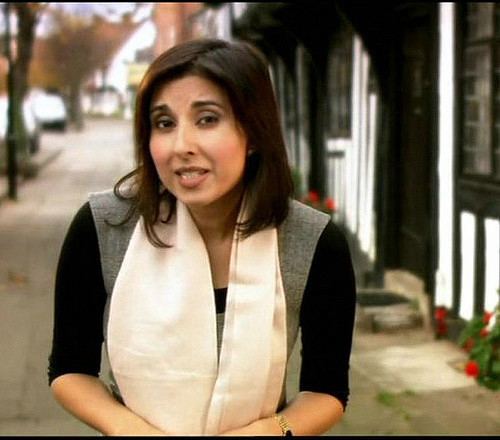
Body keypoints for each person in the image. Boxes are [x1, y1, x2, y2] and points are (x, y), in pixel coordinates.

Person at [48, 38, 356, 436]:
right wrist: (130, 429)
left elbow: (327, 390)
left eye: (207, 119)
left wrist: (271, 430)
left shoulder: (311, 242)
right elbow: (69, 369)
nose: (182, 146)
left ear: (255, 132)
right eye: (164, 123)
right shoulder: (104, 226)